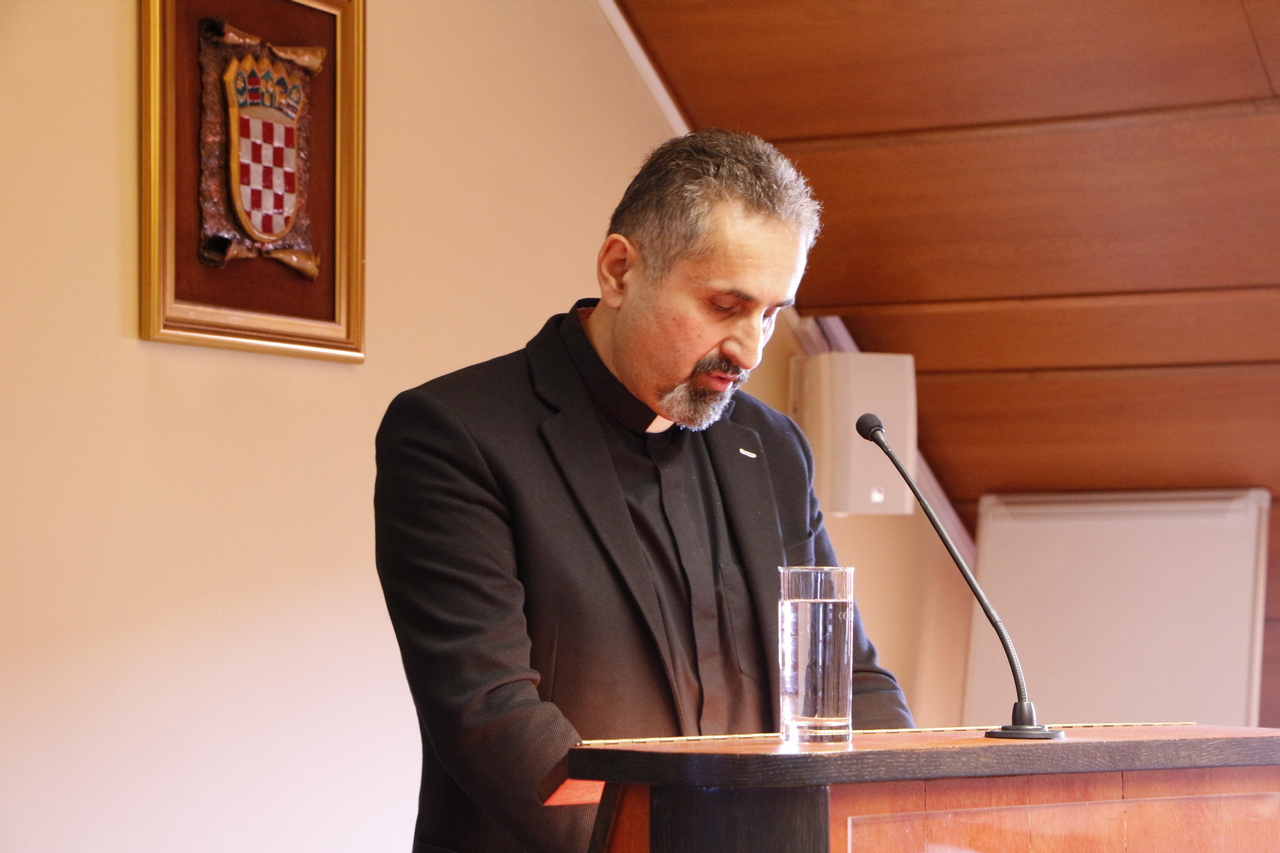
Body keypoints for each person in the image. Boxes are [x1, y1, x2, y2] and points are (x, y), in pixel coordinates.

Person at [374, 129, 913, 853]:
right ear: (620, 269)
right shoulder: (457, 433)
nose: (751, 349)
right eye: (724, 306)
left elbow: (847, 677)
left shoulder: (772, 446)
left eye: (771, 313)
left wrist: (894, 819)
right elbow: (491, 717)